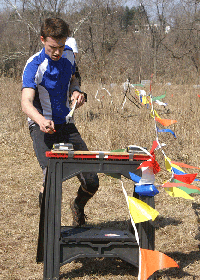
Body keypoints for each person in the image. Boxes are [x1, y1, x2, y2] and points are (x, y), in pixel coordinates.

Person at [21, 17, 99, 227]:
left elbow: (73, 78)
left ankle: (77, 207)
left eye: (61, 46)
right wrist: (40, 120)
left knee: (92, 181)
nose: (57, 52)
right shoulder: (34, 65)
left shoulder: (68, 56)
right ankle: (48, 230)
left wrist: (76, 92)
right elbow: (26, 103)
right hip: (41, 126)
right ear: (42, 40)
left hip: (66, 124)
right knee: (51, 178)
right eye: (52, 47)